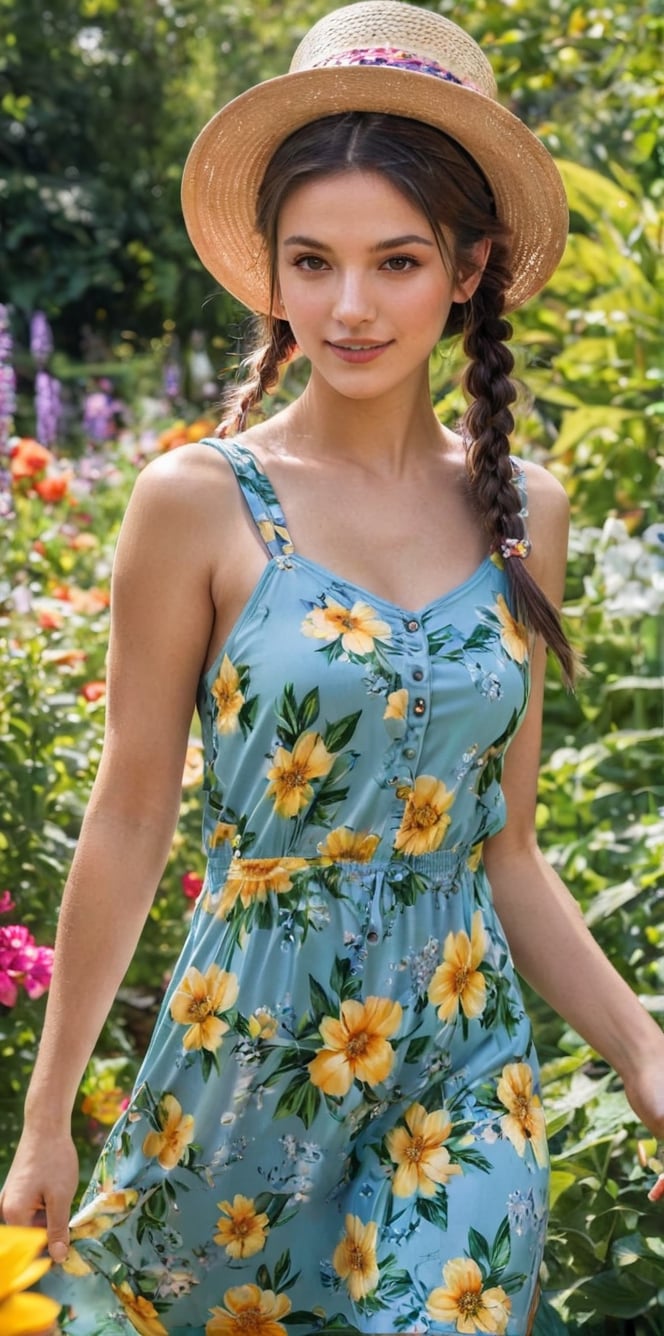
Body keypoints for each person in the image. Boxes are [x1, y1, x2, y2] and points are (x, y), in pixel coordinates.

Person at [2, 3, 663, 1334]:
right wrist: (47, 1117)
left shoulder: (522, 506)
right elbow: (133, 815)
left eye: (397, 262)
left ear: (468, 268)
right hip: (246, 1052)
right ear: (273, 276)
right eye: (312, 262)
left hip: (463, 1057)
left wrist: (647, 1050)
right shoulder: (196, 501)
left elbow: (511, 850)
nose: (349, 307)